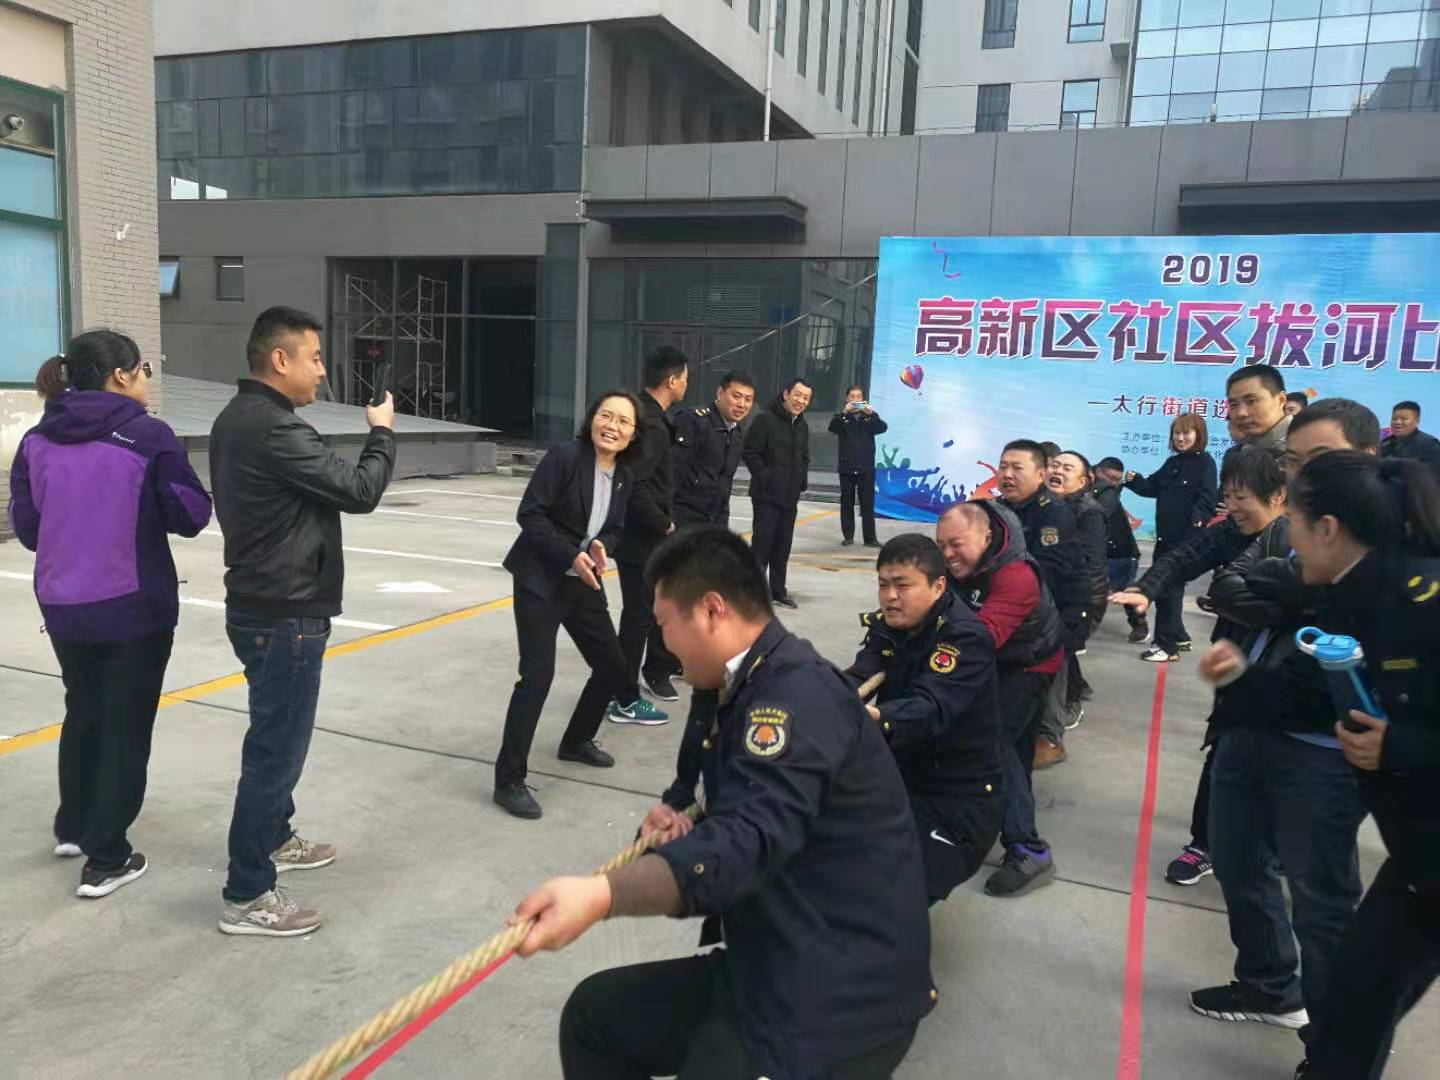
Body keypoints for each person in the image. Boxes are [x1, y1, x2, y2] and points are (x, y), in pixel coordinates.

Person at [513, 526, 935, 1080]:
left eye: (665, 623)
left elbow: (749, 839)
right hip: (776, 956)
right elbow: (730, 810)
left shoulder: (792, 697)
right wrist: (683, 830)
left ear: (712, 610)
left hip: (837, 992)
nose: (663, 643)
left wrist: (601, 895)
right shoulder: (736, 684)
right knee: (595, 1016)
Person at [1112, 401, 1380, 890]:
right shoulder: (1259, 535)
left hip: (1317, 711)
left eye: (1240, 497)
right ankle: (1205, 845)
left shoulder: (1373, 544)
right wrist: (1147, 588)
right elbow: (1212, 577)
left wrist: (1279, 601)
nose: (1230, 506)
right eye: (1227, 496)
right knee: (1224, 756)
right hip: (1243, 670)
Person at [209, 306, 395, 936]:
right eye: (314, 358)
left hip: (264, 604)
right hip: (283, 612)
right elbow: (360, 490)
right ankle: (247, 893)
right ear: (280, 359)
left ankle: (276, 835)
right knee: (275, 753)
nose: (321, 370)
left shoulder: (241, 417)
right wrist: (382, 433)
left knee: (275, 738)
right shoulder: (274, 428)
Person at [7, 331, 211, 900]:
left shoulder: (36, 440)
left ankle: (74, 826)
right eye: (144, 368)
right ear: (121, 375)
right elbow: (191, 513)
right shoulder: (148, 436)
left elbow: (28, 529)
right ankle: (107, 857)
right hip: (133, 609)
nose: (146, 378)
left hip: (64, 606)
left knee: (85, 710)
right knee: (125, 726)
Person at [1189, 449, 1367, 1037]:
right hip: (1248, 730)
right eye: (1291, 460)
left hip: (1320, 757)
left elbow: (1318, 695)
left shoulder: (1388, 590)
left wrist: (1246, 669)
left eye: (1308, 458)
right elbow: (1229, 584)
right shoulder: (1291, 552)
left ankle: (1337, 1045)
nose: (1291, 479)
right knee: (1238, 861)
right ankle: (1268, 986)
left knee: (1321, 903)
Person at [1279, 453, 1440, 1080]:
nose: (1288, 538)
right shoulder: (1359, 595)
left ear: (1327, 527)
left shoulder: (1419, 601)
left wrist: (1401, 747)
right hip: (1421, 849)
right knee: (1359, 998)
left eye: (1292, 522)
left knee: (1360, 999)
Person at [495, 391, 649, 821]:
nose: (612, 426)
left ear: (634, 434)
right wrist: (571, 554)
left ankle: (577, 740)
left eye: (623, 421)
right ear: (592, 418)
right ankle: (508, 780)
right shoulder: (565, 457)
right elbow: (530, 514)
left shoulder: (624, 475)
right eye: (606, 415)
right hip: (540, 579)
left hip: (582, 581)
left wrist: (601, 546)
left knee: (613, 665)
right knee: (537, 676)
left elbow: (616, 529)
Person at [845, 534, 1002, 904]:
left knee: (892, 899)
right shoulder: (890, 624)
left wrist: (875, 716)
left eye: (903, 586)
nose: (890, 597)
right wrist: (817, 693)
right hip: (900, 778)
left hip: (955, 800)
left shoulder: (964, 638)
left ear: (938, 586)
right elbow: (861, 675)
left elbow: (930, 708)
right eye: (883, 585)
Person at [937, 500, 1065, 898]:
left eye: (956, 544)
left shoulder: (1016, 575)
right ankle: (1004, 819)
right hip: (1000, 658)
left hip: (1030, 665)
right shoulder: (960, 564)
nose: (947, 555)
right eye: (941, 545)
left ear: (986, 536)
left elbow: (980, 641)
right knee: (1013, 750)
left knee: (992, 744)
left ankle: (1028, 848)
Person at [996, 439, 1089, 770]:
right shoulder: (997, 509)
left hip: (1062, 605)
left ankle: (1050, 738)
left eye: (1016, 468)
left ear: (1039, 474)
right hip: (1020, 605)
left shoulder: (1053, 512)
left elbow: (1051, 571)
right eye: (1003, 466)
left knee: (1050, 654)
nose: (1007, 474)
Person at [614, 347, 688, 712]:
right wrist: (664, 522)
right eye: (685, 378)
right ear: (671, 380)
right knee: (637, 619)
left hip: (637, 536)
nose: (686, 385)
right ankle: (624, 697)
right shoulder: (653, 424)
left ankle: (621, 690)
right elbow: (635, 483)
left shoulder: (643, 413)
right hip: (641, 538)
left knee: (639, 615)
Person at [1123, 412, 1218, 662]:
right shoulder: (1172, 462)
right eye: (1176, 433)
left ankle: (1166, 647)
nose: (1180, 438)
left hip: (1186, 538)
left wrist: (1198, 518)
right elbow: (1152, 487)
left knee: (1167, 590)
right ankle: (1179, 636)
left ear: (1199, 435)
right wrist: (1135, 481)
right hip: (1165, 538)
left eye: (1186, 433)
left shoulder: (1205, 463)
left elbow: (1209, 496)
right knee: (1169, 589)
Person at [1044, 450, 1107, 734]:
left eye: (1067, 468)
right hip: (1051, 594)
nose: (1057, 471)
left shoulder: (1089, 512)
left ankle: (1070, 703)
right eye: (1054, 465)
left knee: (1059, 646)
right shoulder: (1044, 504)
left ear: (1083, 481)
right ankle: (1078, 686)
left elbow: (1089, 564)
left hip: (1082, 597)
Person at [743, 377, 812, 609]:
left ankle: (778, 591)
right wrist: (766, 477)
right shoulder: (765, 420)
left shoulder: (802, 425)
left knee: (782, 548)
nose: (801, 401)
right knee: (761, 547)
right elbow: (750, 452)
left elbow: (804, 456)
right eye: (798, 395)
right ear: (786, 394)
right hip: (766, 497)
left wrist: (801, 480)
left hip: (790, 497)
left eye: (806, 398)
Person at [672, 370, 756, 528]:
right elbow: (674, 473)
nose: (741, 404)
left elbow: (725, 486)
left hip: (715, 522)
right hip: (685, 518)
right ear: (720, 392)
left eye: (748, 399)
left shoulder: (737, 434)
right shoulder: (693, 421)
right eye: (736, 396)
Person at [1092, 456, 1146, 642]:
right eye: (1111, 478)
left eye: (1118, 479)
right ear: (1098, 472)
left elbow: (1097, 518)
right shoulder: (1089, 487)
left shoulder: (1107, 495)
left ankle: (1140, 624)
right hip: (1100, 550)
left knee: (1126, 592)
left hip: (1122, 552)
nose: (1115, 483)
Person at [828, 385, 888, 547]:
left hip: (866, 468)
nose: (855, 400)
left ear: (863, 400)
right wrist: (844, 413)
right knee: (846, 502)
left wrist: (871, 414)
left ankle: (870, 538)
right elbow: (832, 427)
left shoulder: (868, 419)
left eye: (858, 397)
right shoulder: (842, 418)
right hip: (847, 467)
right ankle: (848, 536)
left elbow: (882, 428)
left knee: (867, 503)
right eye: (852, 397)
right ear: (847, 399)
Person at [1379, 399, 1440, 468]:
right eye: (1394, 419)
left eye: (1404, 419)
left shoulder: (1429, 444)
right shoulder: (1385, 443)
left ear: (1417, 421)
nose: (1398, 422)